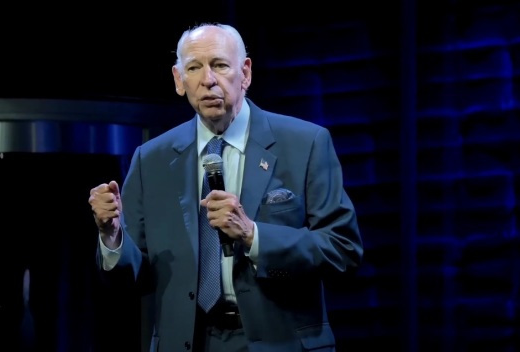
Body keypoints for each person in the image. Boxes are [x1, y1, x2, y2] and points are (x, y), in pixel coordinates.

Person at [89, 23, 363, 352]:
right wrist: (112, 237)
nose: (208, 80)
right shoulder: (152, 159)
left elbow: (343, 251)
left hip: (279, 342)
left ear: (245, 72)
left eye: (219, 65)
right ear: (179, 79)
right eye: (194, 68)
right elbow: (131, 276)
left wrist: (253, 235)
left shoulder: (305, 143)